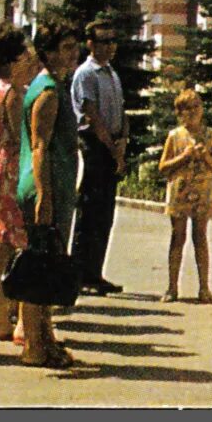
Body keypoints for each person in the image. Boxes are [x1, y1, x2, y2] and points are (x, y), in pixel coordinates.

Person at [18, 21, 83, 368]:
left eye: (75, 47)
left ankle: (46, 339)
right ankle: (33, 345)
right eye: (67, 47)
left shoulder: (54, 85)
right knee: (39, 266)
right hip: (45, 187)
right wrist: (45, 196)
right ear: (49, 52)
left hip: (55, 185)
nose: (74, 54)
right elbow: (40, 146)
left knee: (50, 263)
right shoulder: (47, 92)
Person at [0, 24, 36, 341]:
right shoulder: (13, 94)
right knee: (24, 245)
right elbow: (19, 137)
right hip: (14, 169)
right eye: (24, 53)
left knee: (0, 244)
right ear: (13, 59)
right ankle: (21, 325)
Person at [69, 19, 127, 296]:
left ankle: (95, 271)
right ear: (90, 44)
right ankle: (79, 272)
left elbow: (120, 111)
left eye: (113, 41)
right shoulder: (86, 74)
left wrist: (122, 142)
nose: (110, 46)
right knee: (89, 211)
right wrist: (111, 146)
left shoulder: (111, 73)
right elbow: (92, 115)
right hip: (95, 145)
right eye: (104, 41)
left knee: (105, 213)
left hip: (112, 143)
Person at [157, 87, 212, 302]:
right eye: (188, 109)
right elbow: (163, 167)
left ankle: (204, 288)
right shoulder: (175, 136)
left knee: (200, 237)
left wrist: (206, 157)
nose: (193, 112)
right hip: (180, 190)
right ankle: (172, 287)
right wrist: (184, 156)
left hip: (203, 191)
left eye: (197, 107)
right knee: (178, 237)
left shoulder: (211, 135)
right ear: (180, 113)